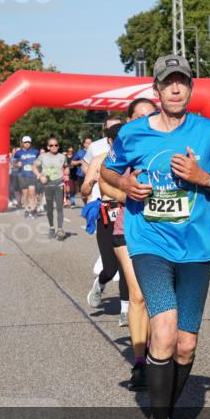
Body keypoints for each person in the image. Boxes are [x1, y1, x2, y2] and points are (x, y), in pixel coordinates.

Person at [101, 55, 210, 419]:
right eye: (168, 83)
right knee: (163, 329)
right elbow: (108, 174)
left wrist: (204, 178)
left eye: (182, 82)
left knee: (186, 343)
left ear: (189, 89)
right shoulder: (132, 133)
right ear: (157, 91)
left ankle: (167, 409)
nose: (175, 89)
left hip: (196, 248)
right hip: (150, 244)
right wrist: (124, 183)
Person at [99, 97, 157, 390]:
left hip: (165, 230)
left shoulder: (170, 140)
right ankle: (140, 363)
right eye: (140, 116)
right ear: (130, 120)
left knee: (161, 298)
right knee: (138, 296)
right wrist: (126, 193)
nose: (147, 119)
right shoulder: (123, 144)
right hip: (129, 227)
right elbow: (104, 181)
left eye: (152, 114)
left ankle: (159, 354)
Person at [82, 118, 129, 315]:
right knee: (110, 268)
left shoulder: (132, 159)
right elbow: (84, 191)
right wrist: (91, 182)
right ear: (109, 141)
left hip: (127, 214)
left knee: (126, 266)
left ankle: (126, 310)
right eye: (117, 140)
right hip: (107, 214)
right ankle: (100, 283)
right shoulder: (99, 160)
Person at [33, 137, 68, 240]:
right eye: (51, 145)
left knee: (59, 207)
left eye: (56, 145)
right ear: (48, 147)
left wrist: (66, 173)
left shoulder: (62, 157)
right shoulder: (42, 157)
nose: (54, 147)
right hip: (48, 184)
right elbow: (34, 167)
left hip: (59, 184)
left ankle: (60, 229)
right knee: (49, 209)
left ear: (58, 146)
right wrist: (39, 176)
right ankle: (52, 228)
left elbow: (66, 167)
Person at [12, 135, 40, 217]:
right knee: (25, 193)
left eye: (28, 142)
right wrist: (17, 164)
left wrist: (37, 167)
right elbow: (13, 164)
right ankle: (27, 209)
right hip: (22, 175)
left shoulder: (35, 152)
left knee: (32, 192)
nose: (27, 144)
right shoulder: (18, 153)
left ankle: (32, 209)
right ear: (22, 143)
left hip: (32, 174)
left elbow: (40, 161)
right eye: (25, 142)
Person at [73, 136, 92, 204]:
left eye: (90, 143)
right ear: (84, 144)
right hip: (81, 175)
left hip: (91, 175)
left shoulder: (94, 152)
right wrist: (79, 162)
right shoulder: (79, 152)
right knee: (83, 193)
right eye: (87, 143)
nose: (89, 144)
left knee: (90, 192)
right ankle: (86, 204)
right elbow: (72, 162)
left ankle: (89, 205)